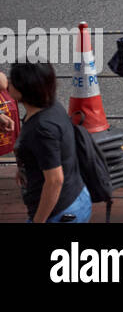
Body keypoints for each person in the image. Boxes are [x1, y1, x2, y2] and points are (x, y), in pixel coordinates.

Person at [10, 62, 90, 223]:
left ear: (22, 90)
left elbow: (55, 180)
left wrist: (39, 220)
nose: (8, 84)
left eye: (12, 81)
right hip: (76, 196)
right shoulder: (51, 106)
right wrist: (25, 167)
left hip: (59, 213)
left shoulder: (41, 128)